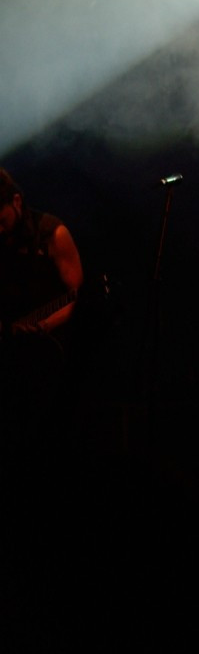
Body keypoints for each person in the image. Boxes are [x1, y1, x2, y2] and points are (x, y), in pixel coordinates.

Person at [0, 167, 84, 471]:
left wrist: (43, 327)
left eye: (2, 220)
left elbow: (78, 297)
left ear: (17, 202)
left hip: (48, 351)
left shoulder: (52, 233)